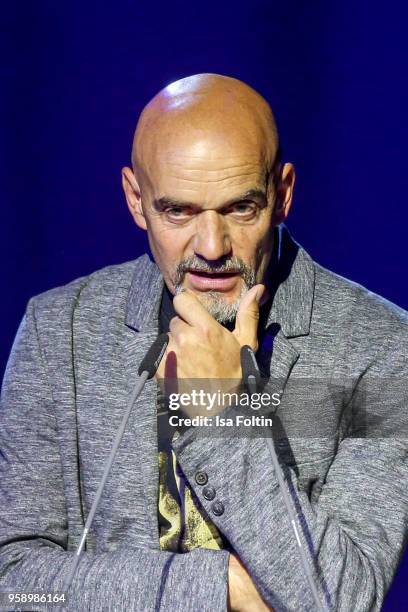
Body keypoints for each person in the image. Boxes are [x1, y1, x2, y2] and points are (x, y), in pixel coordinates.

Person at [0, 73, 407, 612]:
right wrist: (222, 588)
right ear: (135, 200)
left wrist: (226, 413)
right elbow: (15, 586)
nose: (212, 248)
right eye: (179, 211)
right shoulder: (60, 332)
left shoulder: (381, 350)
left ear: (282, 196)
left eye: (241, 208)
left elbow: (343, 601)